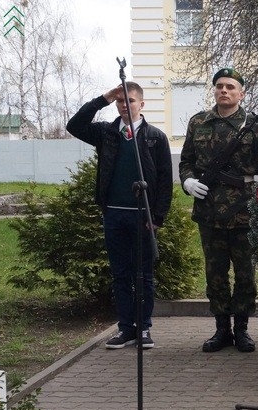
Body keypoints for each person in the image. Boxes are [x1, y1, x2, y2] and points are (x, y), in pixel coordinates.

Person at [67, 82, 173, 350]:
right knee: (121, 275)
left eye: (131, 101)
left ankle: (145, 327)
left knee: (144, 274)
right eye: (120, 101)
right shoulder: (107, 134)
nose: (125, 105)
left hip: (143, 216)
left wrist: (158, 215)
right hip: (114, 214)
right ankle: (126, 328)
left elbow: (164, 181)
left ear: (142, 104)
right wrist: (103, 98)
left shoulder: (155, 137)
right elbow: (75, 125)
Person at [179, 68, 258, 353]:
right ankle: (221, 329)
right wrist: (187, 181)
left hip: (244, 210)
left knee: (245, 274)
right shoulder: (198, 122)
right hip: (208, 210)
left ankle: (242, 329)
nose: (224, 90)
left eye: (230, 87)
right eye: (219, 86)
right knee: (215, 274)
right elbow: (186, 160)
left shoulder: (256, 126)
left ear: (241, 93)